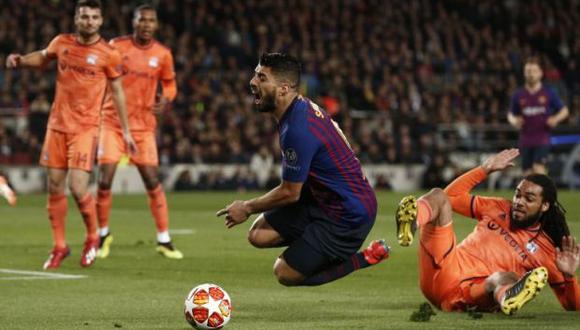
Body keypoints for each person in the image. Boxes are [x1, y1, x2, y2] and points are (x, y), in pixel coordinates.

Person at [217, 53, 389, 287]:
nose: (252, 82)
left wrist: (246, 207)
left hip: (347, 215)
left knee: (285, 274)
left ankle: (362, 258)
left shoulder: (299, 128)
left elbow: (290, 193)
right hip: (321, 197)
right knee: (257, 235)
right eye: (255, 74)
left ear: (283, 89)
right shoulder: (296, 111)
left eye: (262, 77)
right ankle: (313, 243)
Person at [5, 0, 136, 269]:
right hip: (56, 125)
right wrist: (20, 60)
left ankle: (92, 238)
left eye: (93, 17)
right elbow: (42, 57)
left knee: (77, 188)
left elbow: (119, 92)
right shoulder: (62, 42)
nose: (88, 21)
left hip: (85, 129)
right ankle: (59, 246)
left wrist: (125, 130)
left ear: (100, 21)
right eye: (84, 16)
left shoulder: (108, 54)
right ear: (76, 19)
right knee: (53, 187)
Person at [396, 148, 580, 314]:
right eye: (517, 194)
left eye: (529, 198)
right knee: (438, 195)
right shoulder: (499, 207)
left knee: (504, 277)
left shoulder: (547, 251)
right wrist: (484, 170)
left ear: (545, 205)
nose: (519, 202)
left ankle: (507, 298)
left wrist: (569, 277)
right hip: (444, 269)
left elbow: (573, 305)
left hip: (471, 292)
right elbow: (450, 197)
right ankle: (412, 220)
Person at [96, 5, 182, 259]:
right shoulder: (116, 47)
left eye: (150, 21)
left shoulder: (163, 54)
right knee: (104, 179)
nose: (146, 24)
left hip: (144, 127)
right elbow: (101, 75)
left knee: (152, 182)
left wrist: (166, 98)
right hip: (111, 122)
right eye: (141, 19)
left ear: (156, 25)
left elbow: (170, 84)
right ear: (133, 22)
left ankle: (164, 240)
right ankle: (102, 235)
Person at [508, 57, 569, 176]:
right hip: (525, 139)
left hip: (542, 138)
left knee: (538, 168)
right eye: (528, 71)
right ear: (524, 73)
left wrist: (555, 119)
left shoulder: (548, 92)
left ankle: (544, 194)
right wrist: (514, 120)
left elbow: (564, 111)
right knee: (527, 174)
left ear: (540, 73)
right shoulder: (518, 94)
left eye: (534, 71)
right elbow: (510, 114)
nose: (531, 74)